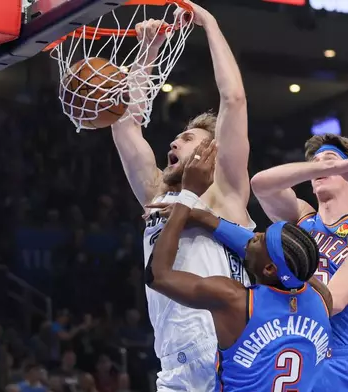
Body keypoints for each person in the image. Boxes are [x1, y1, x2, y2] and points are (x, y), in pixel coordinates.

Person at [111, 1, 252, 390]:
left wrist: (208, 23)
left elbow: (234, 100)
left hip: (228, 352)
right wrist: (149, 50)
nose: (173, 142)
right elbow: (125, 125)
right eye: (175, 138)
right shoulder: (157, 194)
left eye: (187, 138)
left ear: (212, 152)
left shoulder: (226, 192)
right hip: (174, 361)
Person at [146, 140, 332, 391]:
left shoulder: (234, 300)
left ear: (269, 269)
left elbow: (157, 276)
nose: (251, 237)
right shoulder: (321, 297)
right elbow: (287, 262)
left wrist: (187, 197)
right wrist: (205, 219)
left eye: (258, 239)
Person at [250, 134, 348, 391]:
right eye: (316, 163)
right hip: (306, 358)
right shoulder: (301, 219)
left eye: (332, 160)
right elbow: (260, 184)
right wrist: (327, 166)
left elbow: (333, 302)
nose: (322, 166)